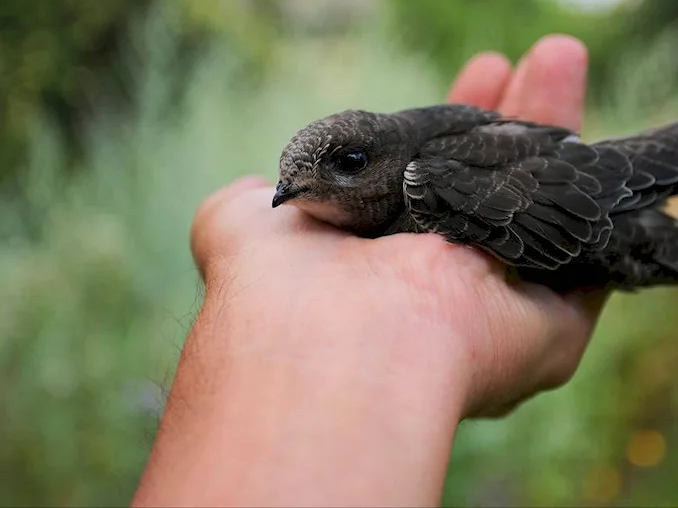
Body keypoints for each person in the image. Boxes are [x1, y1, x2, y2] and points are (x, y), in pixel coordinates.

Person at [131, 35, 608, 507]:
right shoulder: (325, 205)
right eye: (290, 181)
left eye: (350, 164)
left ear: (381, 157)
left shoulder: (429, 178)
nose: (293, 195)